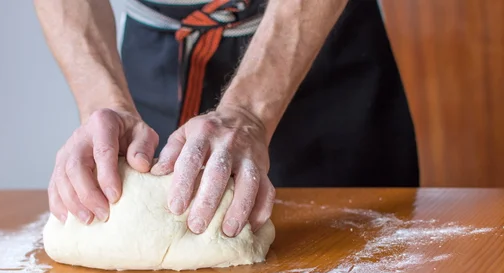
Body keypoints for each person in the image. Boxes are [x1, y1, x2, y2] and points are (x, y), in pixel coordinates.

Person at [34, 0, 419, 238]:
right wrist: (104, 103)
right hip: (158, 49)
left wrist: (249, 112)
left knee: (341, 258)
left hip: (312, 40)